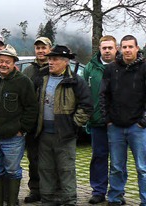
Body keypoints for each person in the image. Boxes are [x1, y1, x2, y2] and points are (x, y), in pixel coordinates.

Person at [31, 45, 92, 205]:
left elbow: (86, 106)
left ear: (66, 62)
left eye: (55, 59)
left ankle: (69, 200)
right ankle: (48, 200)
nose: (50, 62)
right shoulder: (41, 77)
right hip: (44, 134)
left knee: (66, 170)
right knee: (45, 169)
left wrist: (73, 125)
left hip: (65, 135)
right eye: (50, 59)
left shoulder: (76, 81)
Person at [0, 44, 38, 206]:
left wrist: (22, 129)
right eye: (1, 61)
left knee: (12, 172)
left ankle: (11, 202)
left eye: (7, 62)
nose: (3, 64)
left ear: (14, 64)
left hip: (13, 138)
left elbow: (31, 108)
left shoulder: (23, 82)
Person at [100, 35, 146, 206]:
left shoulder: (144, 68)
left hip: (138, 127)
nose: (127, 50)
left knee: (142, 168)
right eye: (124, 47)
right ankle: (115, 198)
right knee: (117, 167)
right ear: (120, 49)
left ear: (137, 48)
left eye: (130, 47)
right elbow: (104, 95)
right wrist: (108, 119)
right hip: (116, 127)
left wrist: (144, 121)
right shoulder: (111, 69)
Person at [84, 35, 119, 204]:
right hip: (97, 121)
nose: (107, 51)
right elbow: (85, 94)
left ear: (116, 49)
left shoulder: (123, 66)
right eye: (104, 48)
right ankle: (98, 191)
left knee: (118, 160)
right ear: (99, 49)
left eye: (110, 48)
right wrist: (87, 117)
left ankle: (117, 192)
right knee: (98, 157)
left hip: (119, 123)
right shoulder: (90, 68)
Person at [20, 36, 52, 203]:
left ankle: (51, 190)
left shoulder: (54, 67)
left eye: (43, 47)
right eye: (38, 48)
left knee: (50, 160)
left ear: (50, 49)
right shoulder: (28, 71)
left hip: (50, 123)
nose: (41, 51)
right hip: (33, 124)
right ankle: (35, 189)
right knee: (33, 160)